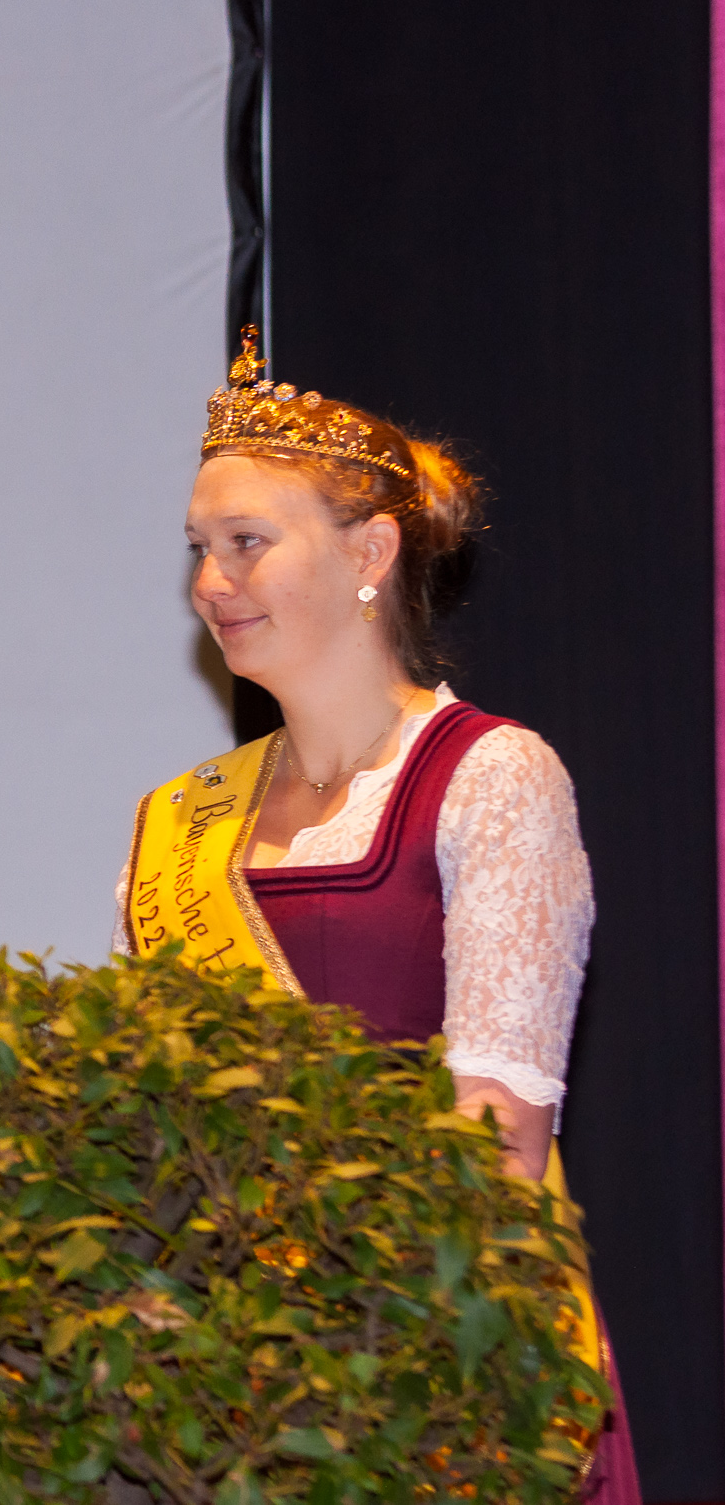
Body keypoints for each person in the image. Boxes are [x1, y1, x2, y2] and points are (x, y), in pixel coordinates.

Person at [119, 334, 634, 1500]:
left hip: (433, 1367)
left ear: (372, 551)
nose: (210, 583)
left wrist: (341, 1348)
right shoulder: (174, 821)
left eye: (247, 543)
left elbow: (498, 1142)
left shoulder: (491, 775)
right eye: (199, 550)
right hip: (222, 1391)